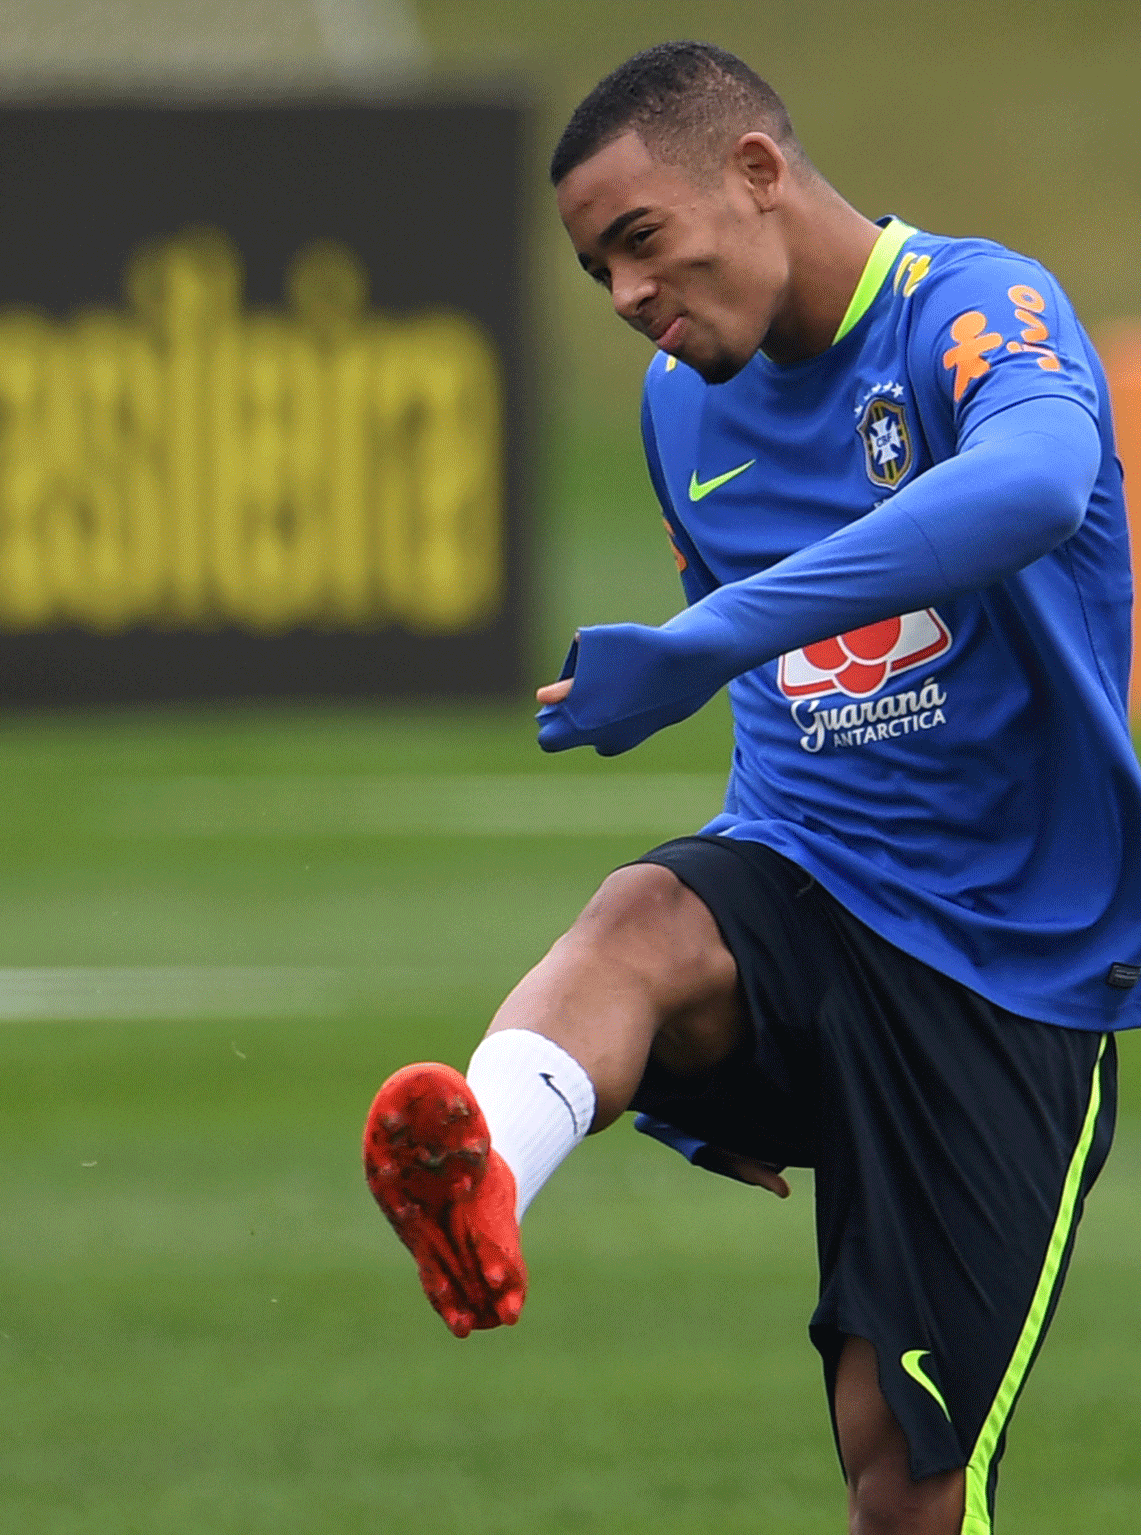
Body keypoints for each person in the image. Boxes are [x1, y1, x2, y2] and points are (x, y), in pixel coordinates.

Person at [363, 40, 1137, 1535]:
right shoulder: (683, 409)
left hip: (1012, 961)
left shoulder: (977, 308)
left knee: (900, 1481)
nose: (628, 298)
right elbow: (794, 713)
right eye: (596, 270)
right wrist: (724, 1026)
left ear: (760, 174)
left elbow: (1034, 485)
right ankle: (483, 1179)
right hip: (808, 881)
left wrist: (702, 641)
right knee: (639, 920)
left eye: (641, 242)